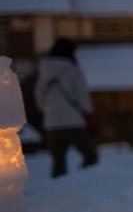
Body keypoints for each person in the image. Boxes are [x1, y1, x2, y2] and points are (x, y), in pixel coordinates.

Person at [34, 39, 99, 178]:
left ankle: (58, 191)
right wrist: (89, 115)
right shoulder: (74, 71)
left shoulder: (43, 71)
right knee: (91, 157)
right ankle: (83, 182)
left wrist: (49, 112)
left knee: (58, 163)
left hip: (51, 124)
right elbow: (83, 98)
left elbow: (39, 98)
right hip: (74, 122)